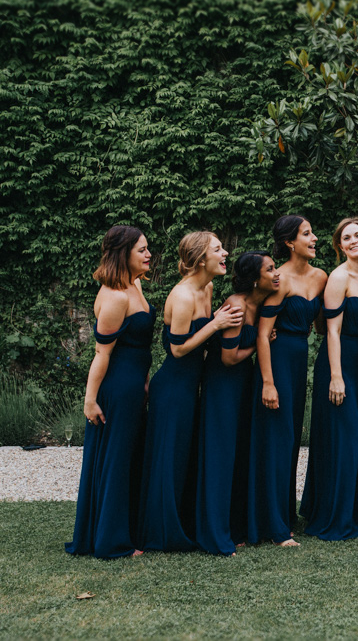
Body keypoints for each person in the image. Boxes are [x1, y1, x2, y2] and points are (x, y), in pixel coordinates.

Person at [140, 232, 243, 552]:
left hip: (192, 387)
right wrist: (216, 324)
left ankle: (185, 525)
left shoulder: (208, 287)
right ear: (200, 260)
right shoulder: (183, 296)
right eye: (217, 249)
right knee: (168, 462)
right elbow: (178, 349)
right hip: (172, 389)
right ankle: (159, 534)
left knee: (186, 458)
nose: (225, 253)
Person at [67, 226, 154, 559]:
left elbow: (139, 344)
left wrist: (145, 380)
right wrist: (90, 400)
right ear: (124, 253)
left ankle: (124, 531)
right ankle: (111, 541)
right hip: (117, 388)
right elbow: (101, 354)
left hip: (134, 385)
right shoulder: (116, 296)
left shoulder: (133, 285)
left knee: (128, 457)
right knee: (117, 461)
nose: (148, 255)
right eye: (142, 250)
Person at [247, 215, 326, 547]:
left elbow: (321, 324)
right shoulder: (279, 280)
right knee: (277, 442)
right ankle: (275, 528)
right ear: (290, 243)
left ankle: (287, 515)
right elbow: (263, 336)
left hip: (299, 362)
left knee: (292, 439)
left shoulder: (321, 277)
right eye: (307, 234)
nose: (315, 238)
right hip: (277, 362)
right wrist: (267, 382)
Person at [195, 251, 279, 555]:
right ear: (256, 279)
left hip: (243, 384)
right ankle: (216, 532)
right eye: (270, 270)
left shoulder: (261, 304)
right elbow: (228, 357)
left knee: (239, 453)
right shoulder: (237, 306)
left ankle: (237, 525)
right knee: (222, 455)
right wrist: (259, 344)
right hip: (223, 385)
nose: (277, 273)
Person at [300, 218, 358, 541]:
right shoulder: (338, 278)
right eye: (347, 237)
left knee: (356, 441)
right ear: (340, 246)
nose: (354, 240)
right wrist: (336, 377)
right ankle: (334, 517)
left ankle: (354, 510)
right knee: (347, 439)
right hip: (339, 365)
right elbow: (330, 330)